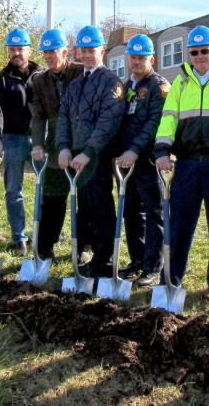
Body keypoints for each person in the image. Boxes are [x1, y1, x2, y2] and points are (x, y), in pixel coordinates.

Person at [154, 25, 209, 304]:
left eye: (205, 50)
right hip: (188, 164)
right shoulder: (180, 82)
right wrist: (162, 150)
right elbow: (168, 119)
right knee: (180, 224)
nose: (200, 56)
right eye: (194, 52)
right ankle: (170, 279)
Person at [56, 25, 126, 281]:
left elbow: (108, 122)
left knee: (100, 207)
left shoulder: (111, 82)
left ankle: (105, 261)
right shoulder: (75, 85)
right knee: (83, 207)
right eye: (83, 50)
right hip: (76, 158)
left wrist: (88, 152)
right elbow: (63, 117)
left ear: (102, 51)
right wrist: (63, 147)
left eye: (91, 50)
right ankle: (89, 255)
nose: (86, 55)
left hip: (97, 158)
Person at [114, 34, 169, 287]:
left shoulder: (158, 87)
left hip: (146, 159)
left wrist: (135, 150)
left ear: (152, 59)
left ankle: (153, 267)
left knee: (154, 212)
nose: (136, 62)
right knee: (131, 212)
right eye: (133, 57)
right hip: (125, 161)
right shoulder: (126, 87)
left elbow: (154, 123)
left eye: (141, 58)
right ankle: (137, 260)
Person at [29, 28, 88, 263]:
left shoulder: (81, 72)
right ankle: (45, 248)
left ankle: (83, 246)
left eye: (54, 51)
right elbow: (38, 115)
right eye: (46, 53)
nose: (50, 57)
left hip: (81, 143)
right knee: (53, 198)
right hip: (55, 146)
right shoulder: (39, 80)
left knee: (84, 199)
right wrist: (37, 144)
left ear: (65, 51)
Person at [0, 28, 41, 256]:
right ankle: (19, 237)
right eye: (12, 49)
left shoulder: (41, 76)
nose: (17, 53)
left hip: (39, 138)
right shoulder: (0, 80)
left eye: (21, 48)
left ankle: (42, 234)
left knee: (46, 188)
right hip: (12, 138)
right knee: (13, 190)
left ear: (29, 50)